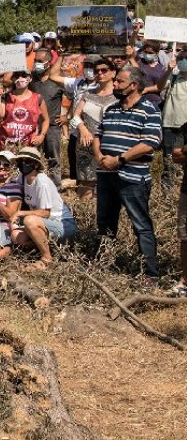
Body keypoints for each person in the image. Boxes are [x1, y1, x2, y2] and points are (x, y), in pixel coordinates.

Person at [94, 66, 162, 278]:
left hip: (133, 176)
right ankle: (103, 265)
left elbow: (150, 143)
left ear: (133, 85)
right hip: (106, 174)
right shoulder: (112, 109)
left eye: (119, 82)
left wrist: (120, 159)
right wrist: (100, 157)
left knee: (140, 225)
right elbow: (98, 134)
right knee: (105, 223)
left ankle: (149, 274)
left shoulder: (149, 110)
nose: (114, 84)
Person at [1, 148, 67, 269]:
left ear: (36, 164)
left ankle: (47, 259)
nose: (23, 164)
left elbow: (46, 213)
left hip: (60, 222)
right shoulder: (23, 177)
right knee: (16, 236)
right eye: (21, 161)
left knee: (29, 220)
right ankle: (45, 247)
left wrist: (20, 213)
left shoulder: (41, 181)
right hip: (43, 223)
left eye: (27, 161)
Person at [69, 59, 117, 199]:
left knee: (107, 185)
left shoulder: (119, 96)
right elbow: (75, 115)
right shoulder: (87, 94)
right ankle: (85, 217)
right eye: (97, 71)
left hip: (108, 144)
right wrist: (82, 128)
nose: (100, 73)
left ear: (113, 73)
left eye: (104, 70)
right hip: (85, 144)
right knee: (85, 184)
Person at [29, 49, 67, 183]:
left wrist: (67, 116)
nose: (36, 64)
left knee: (53, 159)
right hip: (33, 127)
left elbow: (76, 96)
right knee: (32, 158)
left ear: (48, 63)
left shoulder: (57, 80)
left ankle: (55, 187)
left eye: (39, 61)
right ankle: (34, 185)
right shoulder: (30, 79)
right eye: (35, 61)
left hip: (52, 126)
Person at [0, 70, 49, 150]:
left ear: (30, 79)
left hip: (29, 146)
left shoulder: (38, 98)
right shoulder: (6, 96)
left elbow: (46, 119)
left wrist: (42, 135)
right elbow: (0, 115)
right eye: (17, 76)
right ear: (13, 79)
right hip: (8, 145)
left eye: (24, 76)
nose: (20, 79)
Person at [159, 55, 187, 190]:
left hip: (185, 128)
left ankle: (181, 191)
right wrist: (168, 71)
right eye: (182, 59)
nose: (184, 62)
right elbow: (160, 86)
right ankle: (168, 193)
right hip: (169, 125)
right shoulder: (173, 76)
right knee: (168, 160)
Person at [172, 124, 187, 296]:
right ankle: (185, 280)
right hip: (186, 190)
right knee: (184, 236)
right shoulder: (185, 128)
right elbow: (175, 155)